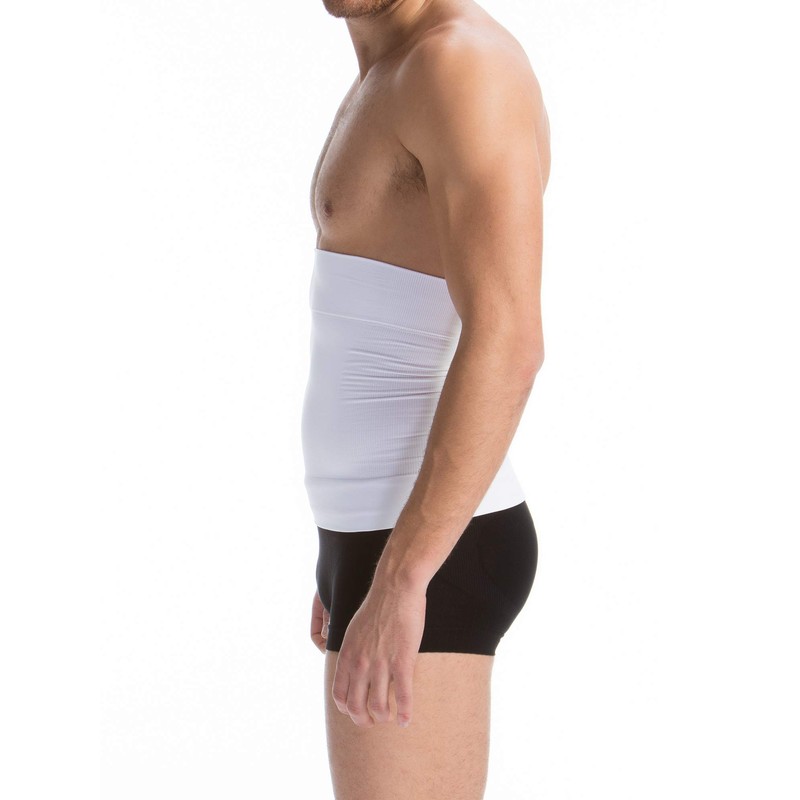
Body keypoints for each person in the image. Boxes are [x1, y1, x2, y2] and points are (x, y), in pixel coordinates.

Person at [301, 0, 550, 796]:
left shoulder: (459, 64)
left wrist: (402, 577)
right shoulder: (389, 67)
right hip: (377, 535)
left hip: (430, 550)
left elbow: (509, 341)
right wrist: (344, 557)